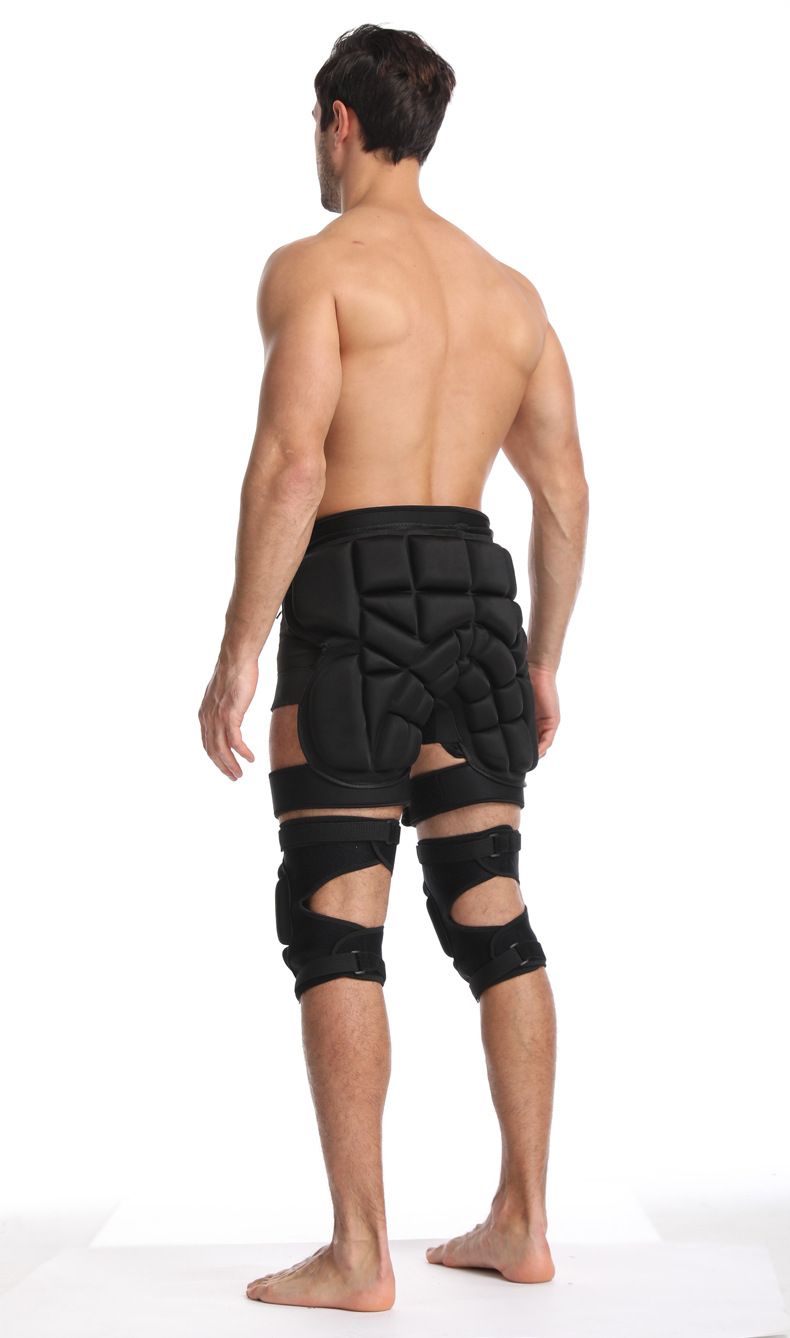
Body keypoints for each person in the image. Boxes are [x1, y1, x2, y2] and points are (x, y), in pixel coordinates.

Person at [198, 22, 588, 1315]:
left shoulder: (314, 270)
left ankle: (360, 1253)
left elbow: (291, 466)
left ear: (341, 122)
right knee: (490, 902)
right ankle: (523, 1221)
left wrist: (237, 652)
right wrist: (541, 659)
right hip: (476, 596)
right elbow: (564, 492)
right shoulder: (509, 294)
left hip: (354, 594)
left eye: (315, 128)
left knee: (334, 919)